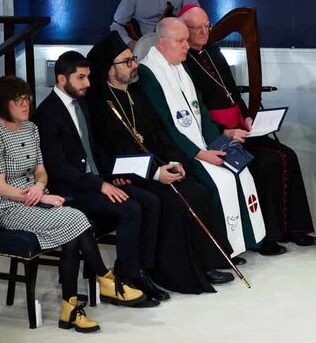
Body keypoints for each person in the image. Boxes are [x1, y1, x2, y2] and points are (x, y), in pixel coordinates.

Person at [84, 32, 237, 286]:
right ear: (110, 71)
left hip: (155, 167)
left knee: (197, 192)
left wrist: (174, 162)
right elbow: (113, 154)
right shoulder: (101, 106)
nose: (135, 65)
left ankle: (206, 263)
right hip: (127, 176)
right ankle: (171, 274)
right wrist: (156, 173)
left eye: (133, 59)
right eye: (127, 62)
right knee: (174, 201)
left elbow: (159, 137)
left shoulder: (137, 96)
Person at [0, 77, 119, 332]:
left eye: (27, 98)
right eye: (18, 100)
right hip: (7, 206)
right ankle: (104, 278)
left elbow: (41, 170)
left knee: (73, 230)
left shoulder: (31, 128)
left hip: (35, 196)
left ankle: (71, 308)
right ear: (2, 104)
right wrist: (40, 197)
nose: (25, 104)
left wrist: (40, 187)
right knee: (75, 219)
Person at [35, 52, 172, 304]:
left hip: (94, 181)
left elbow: (93, 149)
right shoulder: (48, 114)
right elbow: (59, 168)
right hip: (71, 191)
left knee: (151, 200)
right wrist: (100, 184)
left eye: (88, 77)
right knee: (130, 209)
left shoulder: (81, 103)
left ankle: (141, 270)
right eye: (81, 78)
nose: (87, 83)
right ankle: (124, 279)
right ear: (61, 78)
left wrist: (112, 176)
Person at [178, 6, 316, 247]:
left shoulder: (212, 50)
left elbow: (231, 91)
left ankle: (295, 229)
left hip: (239, 127)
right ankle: (265, 236)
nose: (204, 32)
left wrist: (246, 117)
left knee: (287, 155)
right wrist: (224, 131)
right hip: (216, 134)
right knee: (263, 164)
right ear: (184, 30)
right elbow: (194, 108)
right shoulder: (183, 62)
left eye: (207, 26)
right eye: (197, 28)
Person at [138, 18, 271, 256]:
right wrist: (199, 153)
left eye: (186, 41)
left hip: (201, 143)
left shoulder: (180, 65)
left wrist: (218, 139)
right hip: (178, 150)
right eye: (180, 41)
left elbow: (199, 109)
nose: (186, 46)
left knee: (240, 170)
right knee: (218, 183)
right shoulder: (149, 72)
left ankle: (248, 240)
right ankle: (223, 248)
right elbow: (166, 125)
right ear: (161, 43)